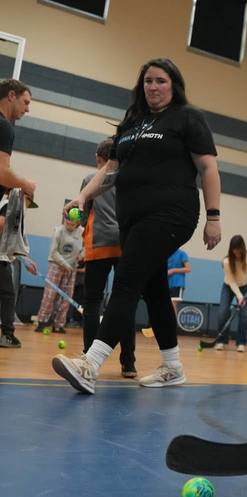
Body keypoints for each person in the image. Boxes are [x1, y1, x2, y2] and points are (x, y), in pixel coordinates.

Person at [53, 58, 221, 392]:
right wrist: (83, 196)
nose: (153, 87)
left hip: (171, 214)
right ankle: (173, 367)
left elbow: (208, 168)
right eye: (148, 81)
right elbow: (111, 169)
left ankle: (91, 363)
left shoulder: (188, 118)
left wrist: (213, 216)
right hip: (132, 219)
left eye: (160, 81)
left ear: (173, 85)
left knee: (127, 281)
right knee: (154, 288)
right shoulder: (132, 122)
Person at [80, 139, 136, 378]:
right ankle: (128, 363)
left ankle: (88, 358)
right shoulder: (127, 179)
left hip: (99, 244)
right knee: (124, 302)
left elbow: (83, 213)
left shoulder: (90, 179)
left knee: (92, 303)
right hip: (124, 244)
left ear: (97, 157)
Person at [0, 79, 35, 348]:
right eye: (25, 102)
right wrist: (25, 184)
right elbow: (2, 172)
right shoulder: (4, 126)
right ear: (11, 96)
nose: (27, 109)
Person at [34, 212, 83, 333]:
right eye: (67, 219)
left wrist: (83, 254)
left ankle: (59, 324)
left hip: (71, 268)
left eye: (72, 221)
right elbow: (54, 252)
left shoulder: (82, 232)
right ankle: (42, 322)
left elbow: (86, 246)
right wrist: (65, 265)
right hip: (56, 265)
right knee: (50, 295)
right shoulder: (59, 231)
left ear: (77, 222)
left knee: (67, 297)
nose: (69, 222)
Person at [215, 236, 247, 351]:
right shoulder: (226, 261)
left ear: (242, 247)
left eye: (238, 249)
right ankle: (221, 341)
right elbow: (231, 281)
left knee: (244, 315)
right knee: (223, 312)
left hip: (244, 286)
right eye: (233, 250)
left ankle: (241, 342)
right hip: (228, 286)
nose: (236, 252)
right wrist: (240, 296)